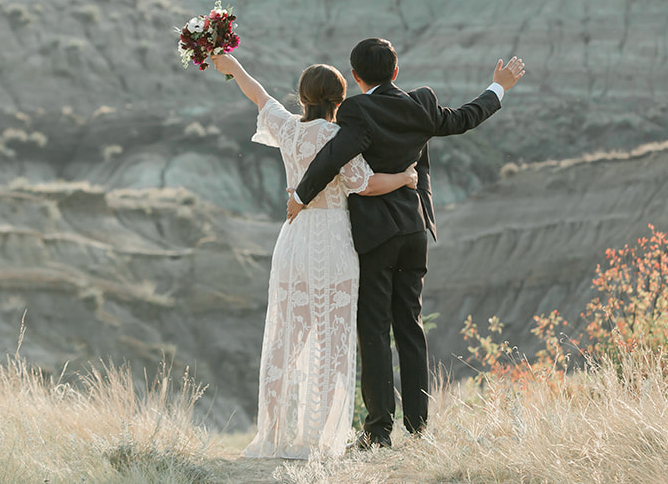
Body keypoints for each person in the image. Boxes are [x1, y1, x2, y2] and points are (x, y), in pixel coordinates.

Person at [293, 38, 525, 448]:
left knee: (375, 329)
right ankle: (419, 430)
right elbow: (465, 118)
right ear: (396, 72)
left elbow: (332, 156)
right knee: (410, 326)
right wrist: (498, 87)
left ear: (356, 77)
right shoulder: (422, 103)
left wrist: (299, 196)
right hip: (415, 230)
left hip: (376, 237)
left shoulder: (357, 111)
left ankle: (379, 431)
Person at [212, 49, 420, 460]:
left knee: (285, 341)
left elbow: (258, 95)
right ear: (339, 101)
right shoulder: (337, 137)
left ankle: (273, 435)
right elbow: (365, 184)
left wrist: (232, 65)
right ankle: (319, 439)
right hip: (335, 241)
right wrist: (405, 177)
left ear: (302, 98)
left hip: (294, 240)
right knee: (331, 341)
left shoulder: (288, 130)